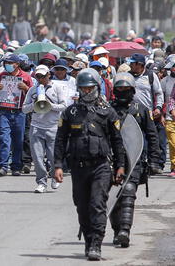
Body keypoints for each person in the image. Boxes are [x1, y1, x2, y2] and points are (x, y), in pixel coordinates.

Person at [54, 68, 126, 261]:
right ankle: (88, 241)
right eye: (83, 89)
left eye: (90, 88)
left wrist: (120, 166)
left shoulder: (107, 112)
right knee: (82, 206)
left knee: (97, 204)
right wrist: (58, 165)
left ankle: (96, 243)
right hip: (78, 167)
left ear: (97, 87)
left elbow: (117, 141)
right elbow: (60, 139)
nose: (86, 92)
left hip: (101, 166)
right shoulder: (70, 112)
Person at [109, 73, 161, 248]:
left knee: (128, 191)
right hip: (112, 161)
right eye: (120, 88)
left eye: (126, 88)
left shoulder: (141, 109)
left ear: (132, 90)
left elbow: (152, 136)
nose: (123, 91)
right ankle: (117, 231)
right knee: (113, 198)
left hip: (135, 158)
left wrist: (155, 160)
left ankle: (125, 231)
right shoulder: (108, 109)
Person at [22, 65, 66, 193]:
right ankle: (41, 182)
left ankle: (54, 176)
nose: (40, 79)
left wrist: (50, 105)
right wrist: (33, 103)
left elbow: (63, 106)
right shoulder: (32, 90)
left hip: (53, 127)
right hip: (36, 127)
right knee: (37, 157)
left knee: (53, 157)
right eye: (38, 76)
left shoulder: (56, 88)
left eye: (43, 76)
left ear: (48, 75)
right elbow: (24, 109)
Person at [0, 54, 32, 176]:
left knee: (18, 141)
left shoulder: (26, 77)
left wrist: (26, 88)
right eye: (6, 63)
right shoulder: (2, 76)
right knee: (4, 139)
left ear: (17, 64)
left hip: (19, 112)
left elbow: (32, 95)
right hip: (5, 111)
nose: (7, 65)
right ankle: (3, 166)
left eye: (10, 63)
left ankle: (16, 166)